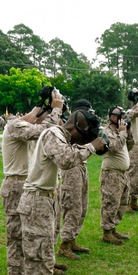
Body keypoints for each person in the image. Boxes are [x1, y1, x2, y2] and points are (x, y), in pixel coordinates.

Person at [20, 108, 96, 275]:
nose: (83, 141)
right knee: (38, 259)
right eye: (85, 135)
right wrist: (92, 147)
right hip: (37, 202)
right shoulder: (54, 133)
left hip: (45, 200)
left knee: (45, 257)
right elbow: (65, 159)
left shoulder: (60, 136)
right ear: (76, 127)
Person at [0, 92, 63, 275]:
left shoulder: (25, 125)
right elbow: (46, 130)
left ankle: (31, 273)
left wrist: (46, 109)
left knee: (30, 234)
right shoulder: (15, 126)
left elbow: (39, 122)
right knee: (17, 234)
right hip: (15, 184)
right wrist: (55, 109)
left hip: (25, 184)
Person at [57, 99, 94, 258]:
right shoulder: (69, 125)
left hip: (81, 166)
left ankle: (72, 239)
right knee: (73, 206)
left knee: (82, 206)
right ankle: (64, 245)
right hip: (71, 168)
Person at [100, 106, 134, 245]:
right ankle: (107, 232)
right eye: (122, 116)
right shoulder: (106, 131)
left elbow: (130, 146)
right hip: (111, 174)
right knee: (111, 202)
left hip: (122, 174)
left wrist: (128, 131)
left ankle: (113, 228)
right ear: (113, 117)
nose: (124, 119)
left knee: (122, 202)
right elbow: (114, 148)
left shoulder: (121, 132)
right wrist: (122, 133)